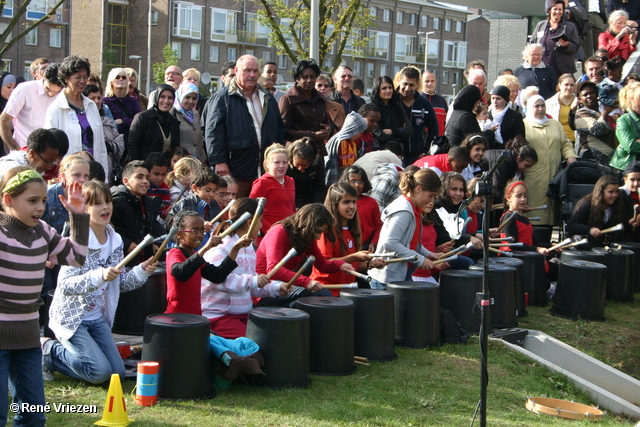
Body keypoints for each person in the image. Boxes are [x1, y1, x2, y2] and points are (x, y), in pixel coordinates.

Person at [44, 181, 157, 384]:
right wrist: (100, 275)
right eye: (97, 204)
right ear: (84, 209)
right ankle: (47, 352)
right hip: (74, 320)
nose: (105, 207)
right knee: (100, 373)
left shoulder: (116, 240)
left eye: (108, 202)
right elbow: (66, 285)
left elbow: (118, 283)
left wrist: (141, 271)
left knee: (117, 374)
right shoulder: (78, 241)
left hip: (98, 319)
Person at [0, 166, 88, 426]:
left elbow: (76, 257)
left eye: (42, 200)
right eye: (31, 201)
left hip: (28, 337)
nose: (40, 207)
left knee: (33, 413)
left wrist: (78, 217)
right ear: (8, 200)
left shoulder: (43, 232)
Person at [202, 198, 287, 338]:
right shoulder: (221, 247)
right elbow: (219, 280)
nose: (261, 226)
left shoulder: (248, 248)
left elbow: (250, 285)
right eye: (260, 221)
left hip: (242, 314)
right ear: (249, 223)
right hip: (218, 316)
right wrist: (254, 281)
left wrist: (276, 288)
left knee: (274, 338)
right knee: (254, 346)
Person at [205, 55, 286, 198]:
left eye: (255, 71)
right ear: (236, 70)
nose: (252, 75)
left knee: (262, 213)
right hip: (237, 169)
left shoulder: (267, 97)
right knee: (237, 212)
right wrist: (219, 161)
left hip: (266, 170)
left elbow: (279, 127)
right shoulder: (222, 98)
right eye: (247, 70)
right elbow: (213, 131)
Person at [255, 204, 355, 305]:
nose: (318, 237)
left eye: (321, 232)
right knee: (320, 295)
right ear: (307, 225)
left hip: (284, 289)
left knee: (318, 298)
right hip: (263, 291)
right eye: (317, 231)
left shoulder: (306, 237)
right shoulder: (278, 232)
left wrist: (340, 265)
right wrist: (306, 281)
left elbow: (322, 264)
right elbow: (274, 269)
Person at [368, 168, 443, 285]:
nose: (431, 201)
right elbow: (390, 243)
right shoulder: (404, 210)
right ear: (418, 189)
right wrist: (420, 259)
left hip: (402, 273)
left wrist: (428, 254)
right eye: (431, 195)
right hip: (387, 277)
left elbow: (410, 242)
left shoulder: (413, 209)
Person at [311, 182, 385, 296]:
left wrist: (370, 264)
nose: (352, 206)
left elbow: (352, 265)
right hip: (325, 292)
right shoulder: (326, 231)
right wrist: (355, 256)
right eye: (346, 202)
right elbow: (324, 263)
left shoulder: (353, 230)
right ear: (334, 204)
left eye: (354, 202)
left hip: (346, 292)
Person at [166, 210, 240, 315]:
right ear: (179, 234)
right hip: (177, 318)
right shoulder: (174, 253)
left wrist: (235, 249)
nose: (200, 235)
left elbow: (218, 276)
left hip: (195, 317)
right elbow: (180, 274)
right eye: (195, 231)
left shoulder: (195, 256)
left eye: (202, 231)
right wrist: (206, 248)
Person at [44, 56, 108, 177]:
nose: (82, 81)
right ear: (66, 78)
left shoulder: (92, 106)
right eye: (77, 77)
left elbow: (101, 146)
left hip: (93, 172)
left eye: (85, 77)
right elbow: (50, 148)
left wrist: (104, 177)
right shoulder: (56, 109)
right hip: (70, 174)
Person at [523, 95, 577, 225]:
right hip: (532, 176)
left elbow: (565, 144)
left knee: (552, 212)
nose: (541, 109)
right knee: (533, 211)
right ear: (530, 107)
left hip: (554, 174)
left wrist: (571, 156)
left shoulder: (555, 124)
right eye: (537, 106)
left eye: (543, 105)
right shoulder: (524, 124)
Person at [110, 161, 164, 263]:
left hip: (143, 263)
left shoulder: (148, 202)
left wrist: (156, 243)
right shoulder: (116, 201)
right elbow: (108, 229)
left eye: (147, 178)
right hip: (122, 263)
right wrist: (126, 243)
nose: (145, 181)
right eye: (139, 177)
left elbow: (153, 228)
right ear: (126, 181)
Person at [0, 64, 62, 151]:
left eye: (57, 92)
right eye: (48, 89)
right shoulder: (24, 89)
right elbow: (3, 121)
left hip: (49, 154)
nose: (51, 94)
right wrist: (17, 150)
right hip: (23, 150)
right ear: (44, 77)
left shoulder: (63, 94)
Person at [278, 59, 333, 148]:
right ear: (297, 79)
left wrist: (328, 130)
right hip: (298, 152)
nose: (309, 80)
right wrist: (312, 135)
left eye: (312, 77)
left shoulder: (321, 99)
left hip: (318, 151)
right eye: (305, 77)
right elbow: (283, 130)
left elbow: (325, 123)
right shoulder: (288, 99)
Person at [567, 175, 630, 248]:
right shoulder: (587, 205)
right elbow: (571, 225)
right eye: (610, 192)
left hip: (606, 243)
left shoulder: (618, 206)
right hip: (588, 242)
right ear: (601, 192)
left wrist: (629, 223)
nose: (614, 195)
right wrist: (590, 230)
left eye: (616, 191)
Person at [249, 143, 296, 241]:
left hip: (289, 232)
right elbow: (252, 209)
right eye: (277, 162)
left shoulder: (290, 181)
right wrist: (269, 230)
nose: (281, 166)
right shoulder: (262, 182)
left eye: (284, 162)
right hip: (268, 234)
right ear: (267, 164)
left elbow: (292, 207)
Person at [396, 67, 439, 165]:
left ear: (417, 85)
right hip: (395, 156)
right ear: (399, 81)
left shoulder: (424, 103)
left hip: (416, 157)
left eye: (411, 85)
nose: (407, 88)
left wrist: (425, 151)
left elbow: (434, 129)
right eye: (405, 84)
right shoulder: (392, 101)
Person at [83, 84, 125, 183]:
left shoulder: (107, 121)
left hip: (106, 170)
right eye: (92, 98)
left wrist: (108, 146)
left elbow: (120, 143)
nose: (97, 101)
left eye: (99, 98)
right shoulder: (80, 122)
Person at [127, 84, 180, 161]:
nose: (166, 101)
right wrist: (139, 168)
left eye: (170, 98)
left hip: (165, 169)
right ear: (156, 97)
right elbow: (133, 146)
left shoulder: (174, 122)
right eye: (162, 97)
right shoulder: (142, 118)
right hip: (144, 167)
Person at [480, 135, 538, 204]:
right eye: (526, 166)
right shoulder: (502, 163)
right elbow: (498, 189)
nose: (526, 170)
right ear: (518, 158)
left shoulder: (513, 164)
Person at [530, 0, 581, 77]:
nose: (557, 12)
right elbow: (532, 43)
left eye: (560, 9)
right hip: (542, 67)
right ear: (550, 10)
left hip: (562, 69)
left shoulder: (570, 26)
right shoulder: (541, 25)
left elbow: (576, 46)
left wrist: (567, 45)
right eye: (555, 9)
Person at [570, 80, 616, 165]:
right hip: (593, 161)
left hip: (613, 160)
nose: (589, 96)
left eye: (592, 93)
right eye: (585, 94)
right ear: (579, 99)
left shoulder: (602, 110)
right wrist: (606, 112)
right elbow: (597, 129)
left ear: (598, 95)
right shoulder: (581, 114)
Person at [41, 155, 90, 234]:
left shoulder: (88, 196)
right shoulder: (47, 194)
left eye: (86, 176)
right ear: (63, 176)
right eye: (77, 175)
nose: (82, 180)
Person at [499, 181, 551, 255]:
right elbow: (513, 245)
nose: (523, 199)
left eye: (525, 196)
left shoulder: (525, 219)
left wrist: (551, 245)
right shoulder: (508, 217)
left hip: (526, 257)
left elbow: (534, 243)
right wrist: (537, 249)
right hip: (512, 259)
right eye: (519, 196)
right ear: (509, 198)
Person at [340, 165, 383, 251]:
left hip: (367, 247)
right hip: (346, 247)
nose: (357, 185)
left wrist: (374, 242)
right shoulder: (340, 203)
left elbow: (378, 225)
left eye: (360, 181)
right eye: (352, 181)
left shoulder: (371, 202)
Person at [102, 67, 141, 149]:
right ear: (111, 81)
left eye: (124, 77)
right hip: (113, 144)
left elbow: (138, 122)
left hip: (130, 142)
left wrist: (123, 121)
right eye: (117, 77)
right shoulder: (105, 101)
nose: (121, 79)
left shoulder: (133, 101)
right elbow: (107, 124)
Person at [324, 111, 367, 185]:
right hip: (341, 180)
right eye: (359, 132)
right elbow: (344, 168)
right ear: (353, 130)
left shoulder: (351, 142)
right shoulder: (342, 142)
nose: (360, 135)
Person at [370, 76, 411, 152]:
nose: (388, 91)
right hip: (379, 150)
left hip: (398, 152)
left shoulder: (398, 106)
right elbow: (378, 134)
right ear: (377, 90)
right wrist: (398, 137)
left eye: (390, 87)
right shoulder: (373, 109)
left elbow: (409, 130)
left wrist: (392, 131)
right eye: (384, 88)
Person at [286, 137, 326, 208]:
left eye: (305, 165)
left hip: (309, 200)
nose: (300, 168)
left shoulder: (317, 163)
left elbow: (319, 186)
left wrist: (317, 206)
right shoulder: (285, 163)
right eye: (297, 164)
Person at [171, 83, 205, 160]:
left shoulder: (195, 113)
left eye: (194, 98)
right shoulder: (173, 113)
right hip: (181, 159)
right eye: (187, 97)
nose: (190, 101)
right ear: (180, 96)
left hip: (197, 159)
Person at [611, 82, 640, 170]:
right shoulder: (623, 120)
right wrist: (635, 142)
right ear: (631, 99)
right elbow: (630, 146)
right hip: (627, 167)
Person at [546, 73, 577, 143]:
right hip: (558, 141)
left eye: (572, 85)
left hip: (576, 140)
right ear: (559, 85)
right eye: (566, 84)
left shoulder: (579, 102)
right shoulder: (549, 103)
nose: (569, 87)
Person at [144, 152, 171, 218]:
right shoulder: (142, 186)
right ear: (147, 172)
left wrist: (167, 212)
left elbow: (163, 211)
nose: (160, 178)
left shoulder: (164, 188)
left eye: (163, 174)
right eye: (156, 174)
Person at [421, 71, 447, 136]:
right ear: (421, 82)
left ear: (436, 82)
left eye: (432, 81)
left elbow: (446, 123)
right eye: (427, 81)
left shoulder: (442, 101)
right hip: (421, 141)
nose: (430, 84)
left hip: (439, 141)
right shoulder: (416, 100)